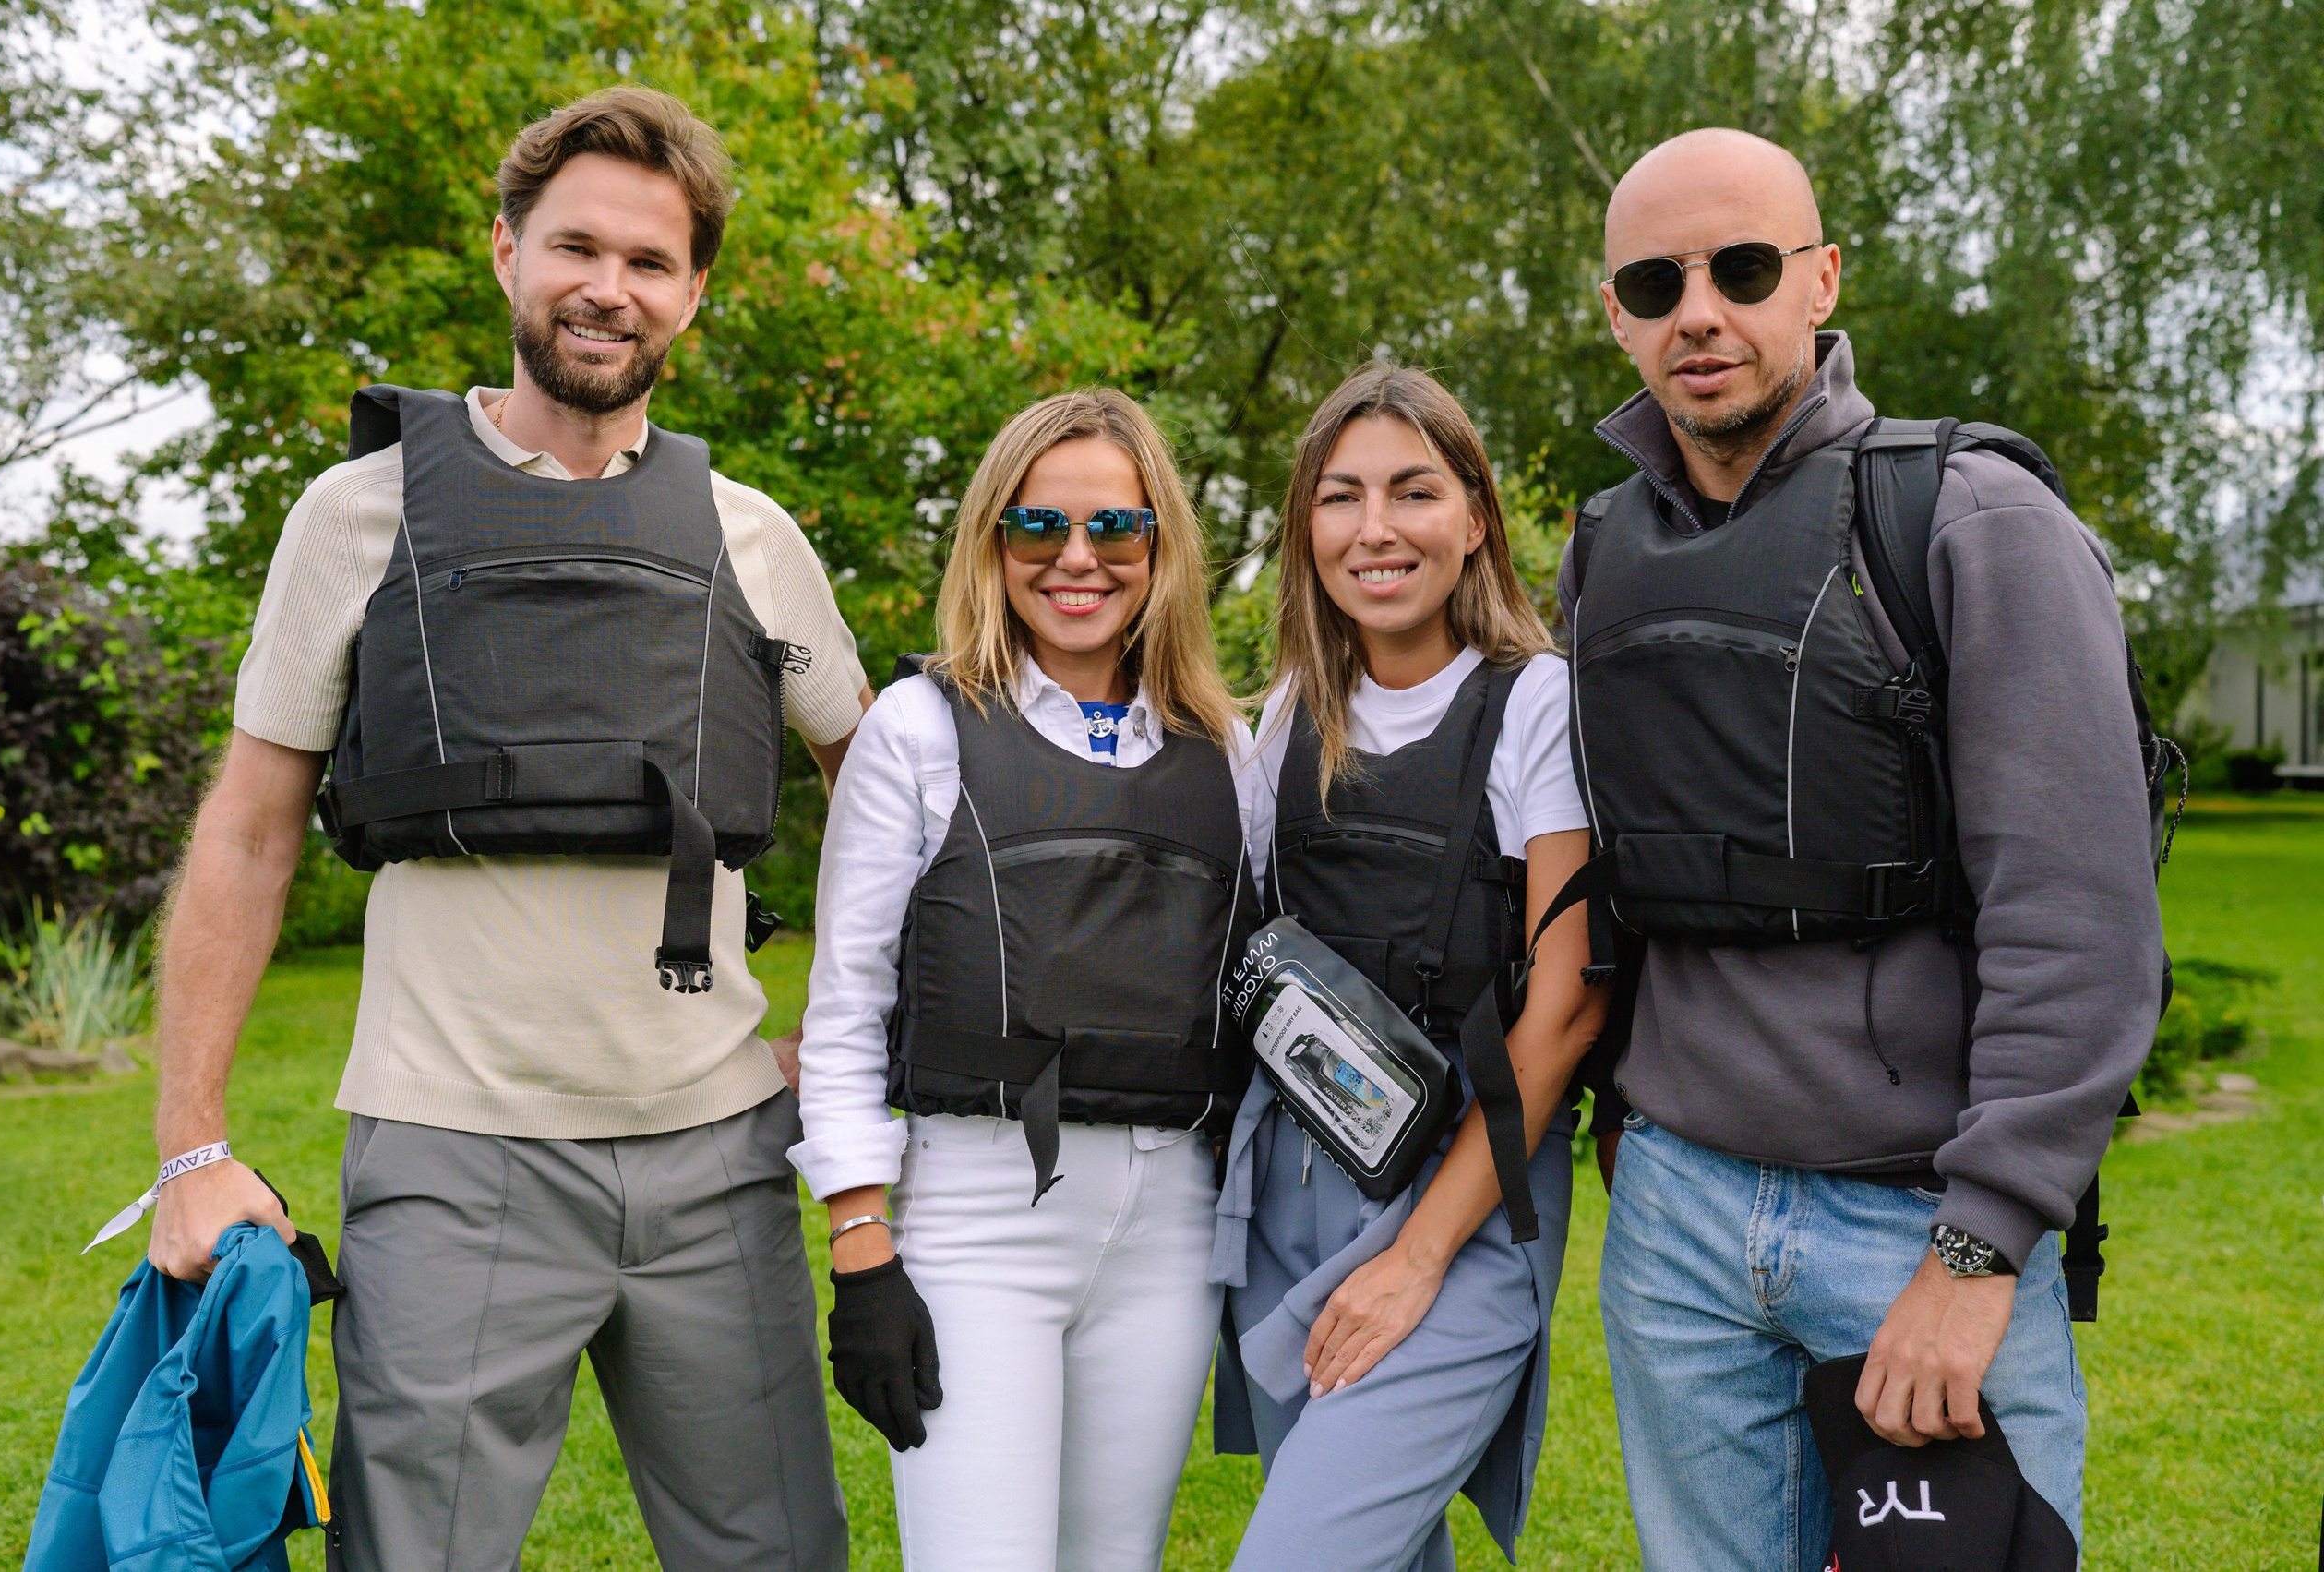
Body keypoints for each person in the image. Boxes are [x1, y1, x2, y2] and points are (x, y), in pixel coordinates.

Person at [145, 88, 873, 1570]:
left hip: (716, 1152)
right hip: (448, 1150)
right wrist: (186, 1147)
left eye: (650, 261)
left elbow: (885, 796)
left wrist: (846, 1035)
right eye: (575, 246)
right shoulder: (352, 518)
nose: (609, 286)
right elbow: (247, 833)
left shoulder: (753, 534)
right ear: (505, 254)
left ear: (693, 294)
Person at [1564, 128, 2164, 1568]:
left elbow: (2077, 920)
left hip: (1917, 1220)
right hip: (1679, 1222)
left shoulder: (1974, 519)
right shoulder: (1602, 545)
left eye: (1745, 266)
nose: (1700, 309)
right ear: (1616, 313)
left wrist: (1980, 1247)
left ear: (1821, 280)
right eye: (1657, 279)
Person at [788, 390, 1257, 1572]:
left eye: (1117, 528)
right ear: (993, 541)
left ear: (1163, 545)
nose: (1078, 560)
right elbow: (844, 1013)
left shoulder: (1225, 747)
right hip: (981, 1214)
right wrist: (861, 1245)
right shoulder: (918, 727)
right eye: (1038, 527)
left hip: (1168, 1222)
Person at [1215, 363, 1608, 1572]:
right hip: (1284, 1182)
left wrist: (1419, 1255)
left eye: (1413, 490)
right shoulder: (1282, 715)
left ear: (1474, 517)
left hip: (1469, 1191)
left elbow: (1569, 1000)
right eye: (1341, 496)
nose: (1375, 528)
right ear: (1306, 527)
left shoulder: (1535, 703)